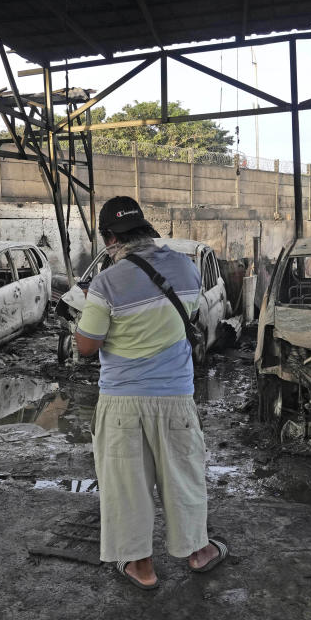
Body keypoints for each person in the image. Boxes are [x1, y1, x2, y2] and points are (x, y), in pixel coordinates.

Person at [74, 196, 228, 590]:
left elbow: (87, 347)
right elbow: (183, 319)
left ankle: (141, 568)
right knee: (184, 478)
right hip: (175, 395)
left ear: (110, 238)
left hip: (122, 401)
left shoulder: (106, 282)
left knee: (127, 485)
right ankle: (198, 552)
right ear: (146, 229)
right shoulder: (187, 269)